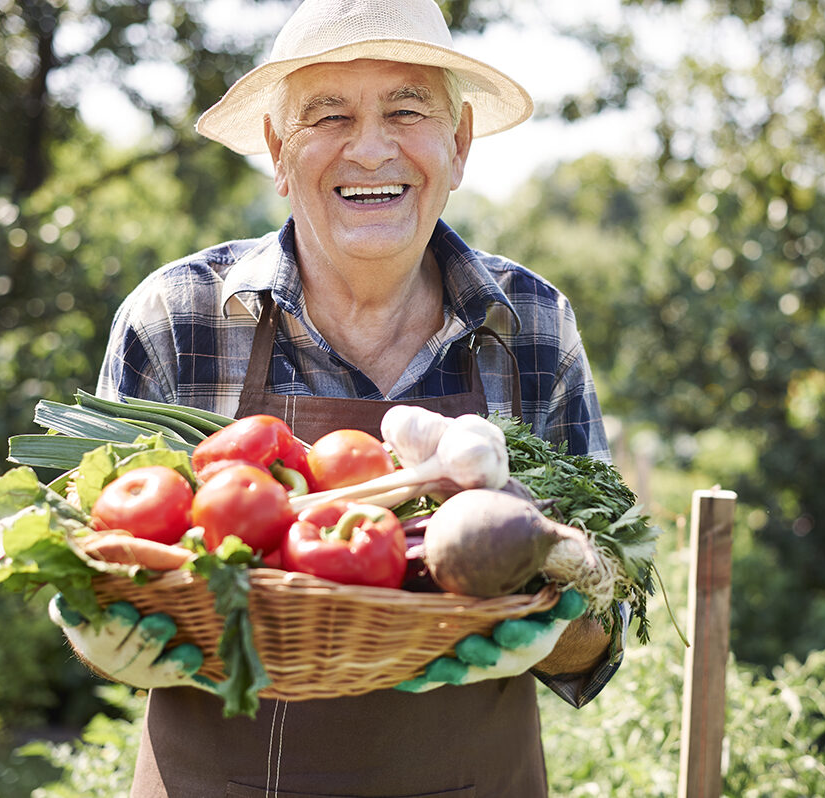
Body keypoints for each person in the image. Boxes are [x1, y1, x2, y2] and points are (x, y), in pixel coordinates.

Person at [56, 0, 624, 795]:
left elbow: (604, 628)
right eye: (327, 115)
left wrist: (554, 619)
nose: (369, 148)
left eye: (406, 109)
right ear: (277, 151)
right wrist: (101, 630)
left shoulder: (532, 325)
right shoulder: (177, 317)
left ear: (458, 145)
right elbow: (93, 574)